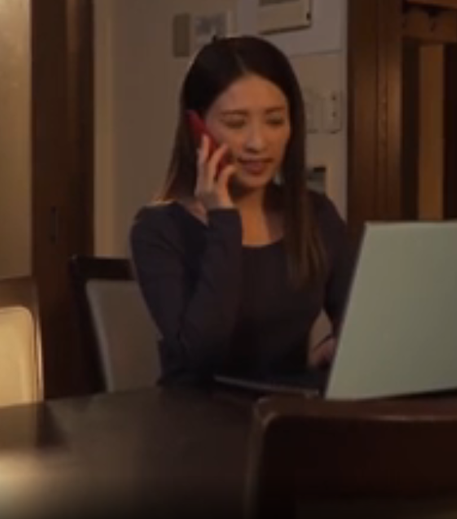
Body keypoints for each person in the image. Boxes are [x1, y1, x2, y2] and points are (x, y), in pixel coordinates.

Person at [129, 35, 354, 386]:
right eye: (236, 123)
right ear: (197, 128)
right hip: (195, 414)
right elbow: (202, 356)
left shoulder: (315, 214)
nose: (258, 142)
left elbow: (358, 318)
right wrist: (223, 218)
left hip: (285, 411)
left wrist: (339, 346)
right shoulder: (159, 229)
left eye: (275, 121)